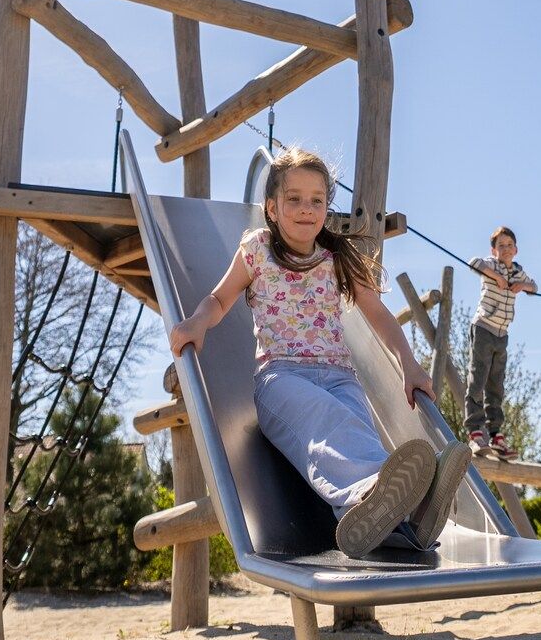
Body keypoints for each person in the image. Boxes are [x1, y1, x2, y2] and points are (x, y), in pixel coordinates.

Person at [167, 146, 470, 557]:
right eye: (294, 199)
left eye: (317, 200)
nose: (306, 209)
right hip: (282, 378)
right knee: (325, 423)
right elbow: (219, 300)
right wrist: (197, 322)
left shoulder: (335, 257)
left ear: (327, 208)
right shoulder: (257, 249)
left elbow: (376, 313)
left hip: (341, 375)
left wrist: (408, 364)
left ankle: (404, 523)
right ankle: (380, 493)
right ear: (272, 208)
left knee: (354, 428)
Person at [465, 226, 535, 457]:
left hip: (502, 334)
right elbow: (473, 262)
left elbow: (535, 287)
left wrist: (521, 286)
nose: (505, 249)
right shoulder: (491, 265)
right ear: (493, 250)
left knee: (496, 384)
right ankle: (475, 431)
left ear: (516, 249)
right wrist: (496, 277)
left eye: (509, 245)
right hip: (484, 328)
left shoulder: (518, 272)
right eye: (500, 246)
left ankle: (496, 434)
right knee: (478, 378)